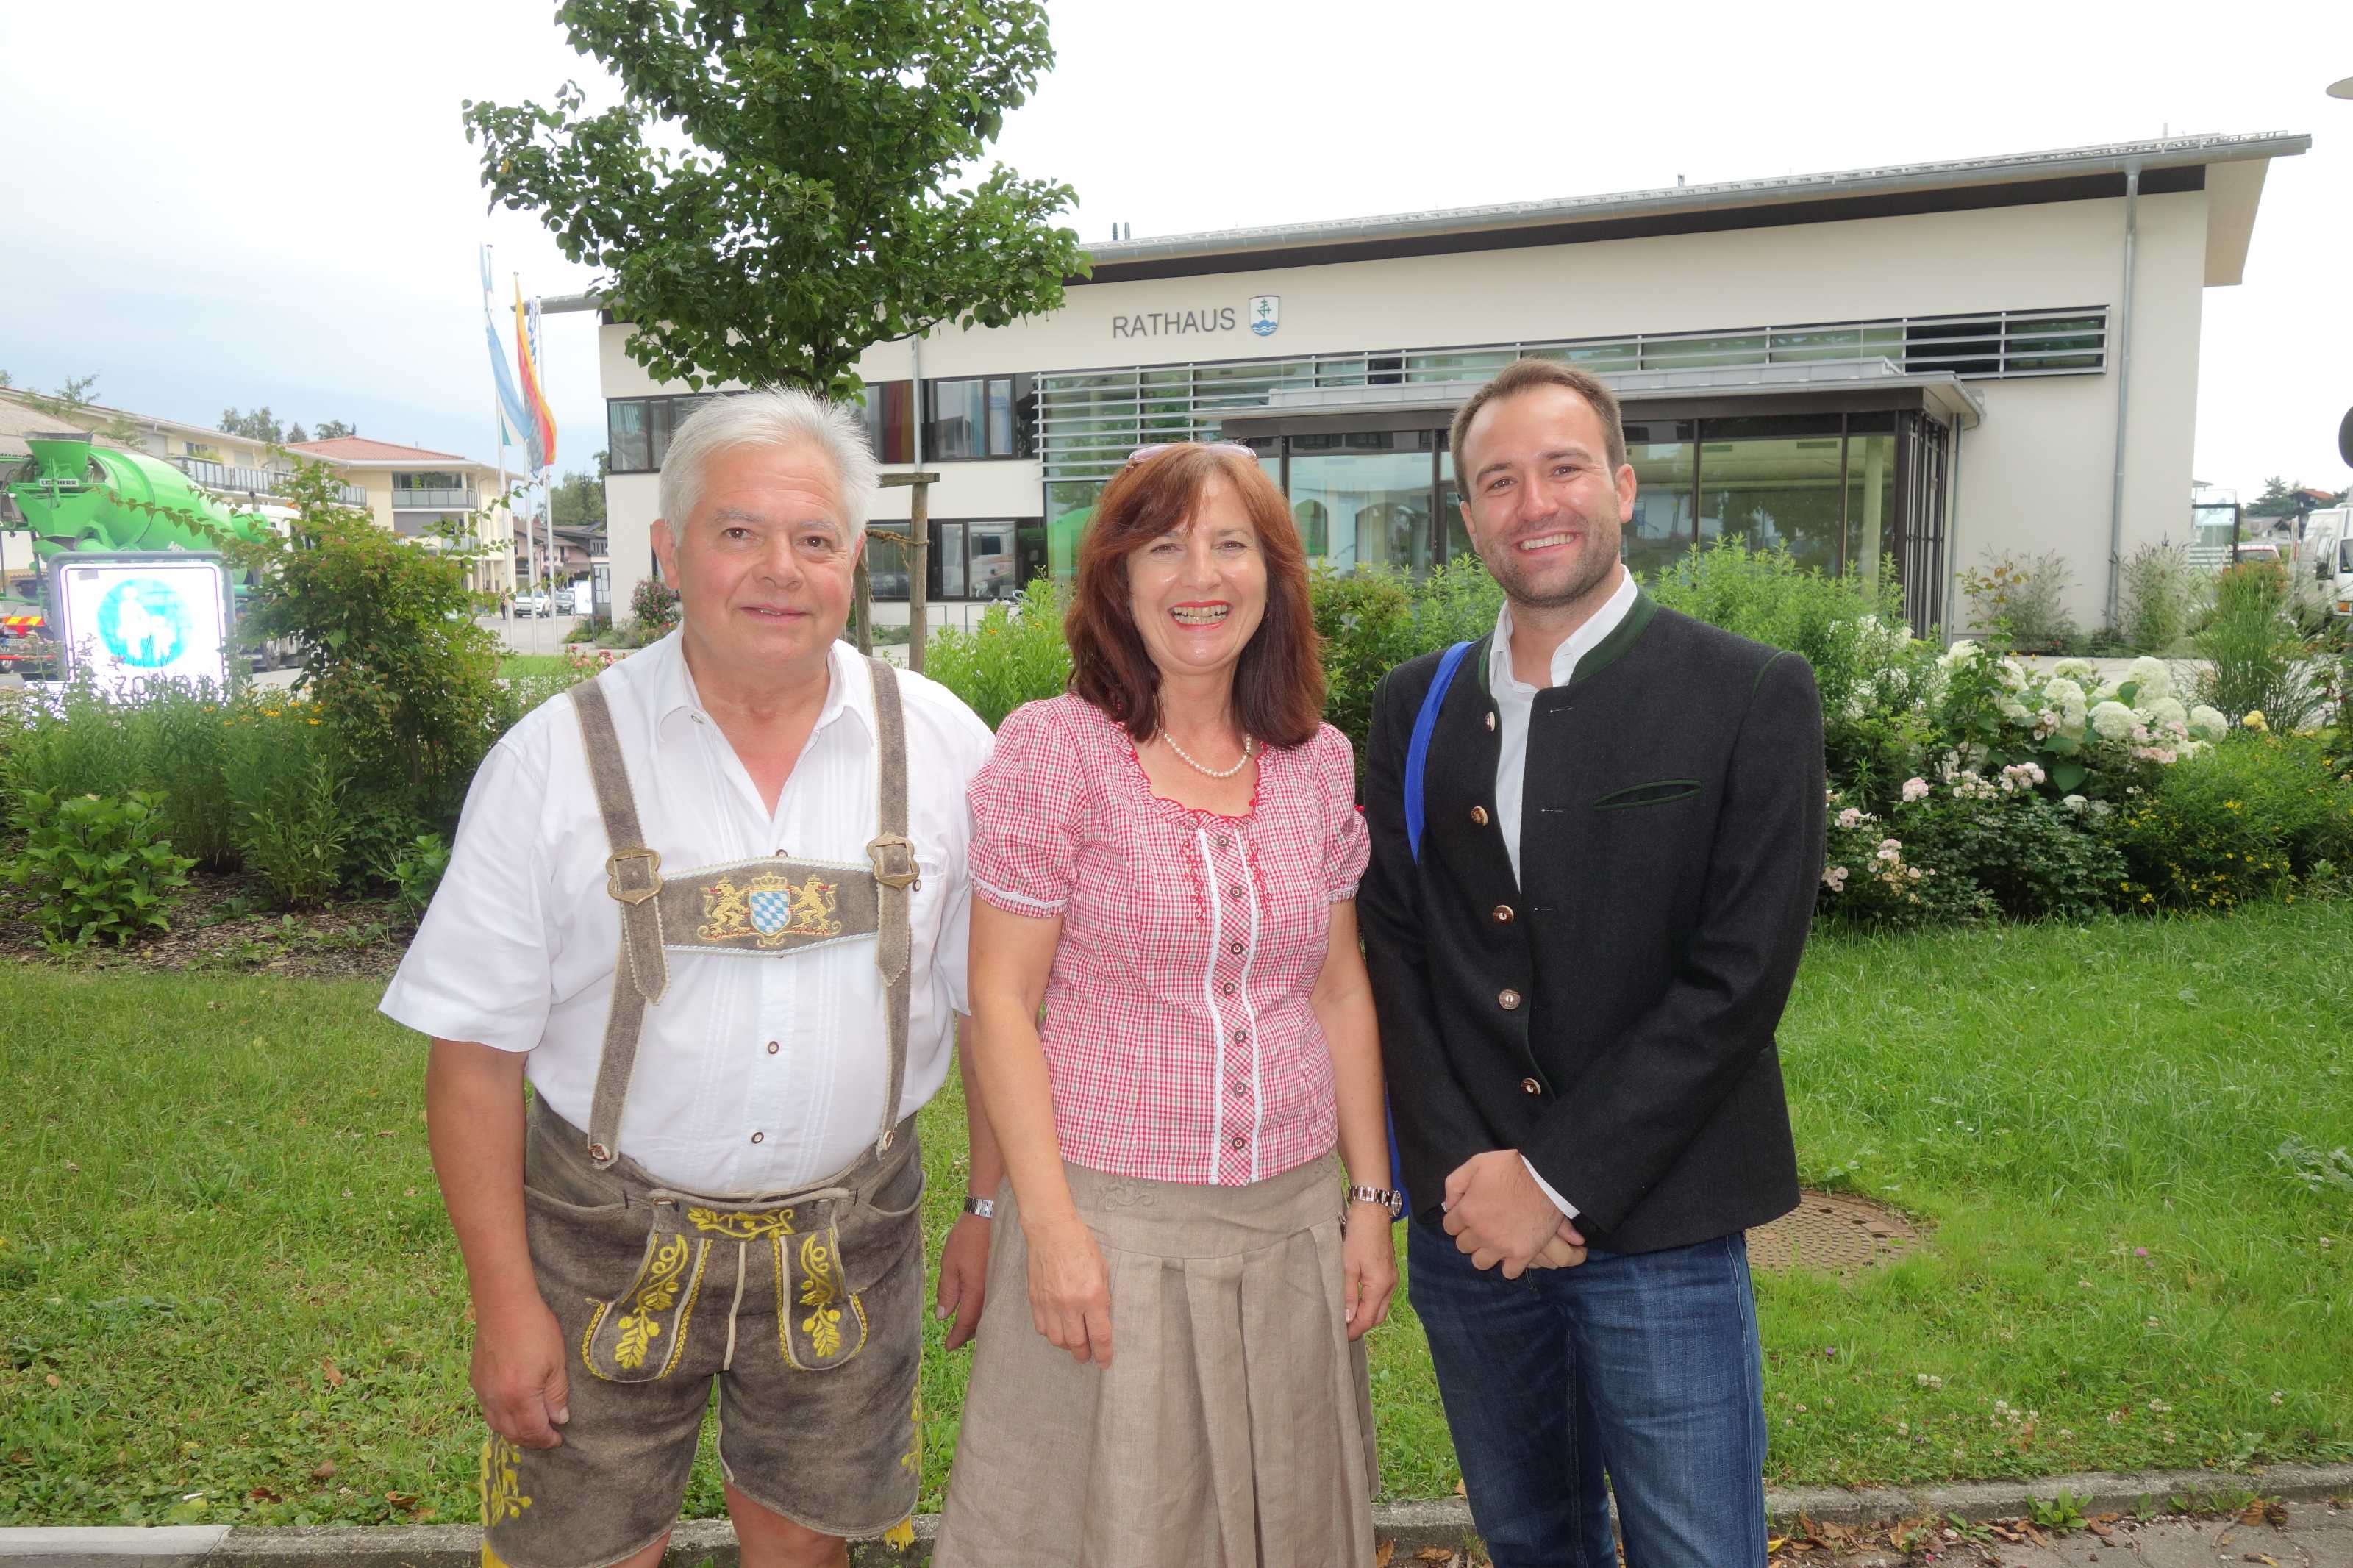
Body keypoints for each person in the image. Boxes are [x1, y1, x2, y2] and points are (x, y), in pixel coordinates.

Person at [382, 390, 1003, 1568]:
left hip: (850, 1239)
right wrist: (504, 1301)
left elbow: (992, 1009)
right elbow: (472, 1061)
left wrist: (986, 1207)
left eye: (814, 538)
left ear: (854, 560)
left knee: (807, 1550)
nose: (780, 570)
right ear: (670, 551)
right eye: (738, 532)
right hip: (597, 1244)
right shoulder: (550, 762)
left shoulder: (945, 746)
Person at [1358, 359, 1826, 1567]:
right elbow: (1394, 948)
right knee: (1532, 1541)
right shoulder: (1415, 705)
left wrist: (1554, 1180)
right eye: (1498, 481)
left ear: (1621, 487)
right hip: (1472, 1234)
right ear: (1468, 517)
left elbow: (1738, 981)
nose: (1534, 505)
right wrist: (1467, 1174)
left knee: (1695, 1550)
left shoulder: (1749, 692)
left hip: (1663, 1229)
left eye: (1562, 468)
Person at [935, 443, 1397, 1568]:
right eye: (1165, 547)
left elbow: (1338, 985)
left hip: (1289, 1229)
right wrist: (1049, 1232)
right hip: (1111, 1230)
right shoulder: (1057, 751)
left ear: (1273, 575)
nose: (1201, 575)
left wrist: (1370, 1197)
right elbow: (1001, 999)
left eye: (1231, 545)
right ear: (1117, 576)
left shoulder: (1316, 761)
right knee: (1109, 1524)